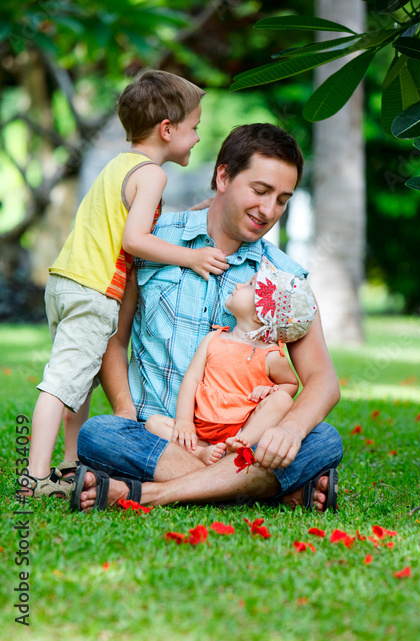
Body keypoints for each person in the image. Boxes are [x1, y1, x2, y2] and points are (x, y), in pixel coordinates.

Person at [71, 123, 342, 512]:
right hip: (158, 435)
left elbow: (323, 380)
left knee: (324, 439)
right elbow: (114, 337)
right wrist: (125, 411)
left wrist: (289, 429)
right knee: (101, 433)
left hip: (241, 441)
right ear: (223, 176)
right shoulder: (152, 240)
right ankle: (264, 489)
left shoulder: (283, 278)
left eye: (282, 199)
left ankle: (148, 493)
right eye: (261, 191)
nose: (269, 211)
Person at [18, 70, 228, 499]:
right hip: (94, 290)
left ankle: (70, 464)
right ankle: (35, 478)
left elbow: (135, 226)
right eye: (194, 129)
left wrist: (196, 211)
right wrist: (192, 255)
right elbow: (136, 240)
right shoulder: (153, 175)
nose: (197, 138)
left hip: (67, 284)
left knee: (82, 379)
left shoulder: (122, 165)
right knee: (62, 382)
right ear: (167, 130)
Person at [144, 259, 317, 465]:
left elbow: (290, 385)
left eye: (250, 285)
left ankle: (240, 444)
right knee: (153, 423)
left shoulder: (271, 355)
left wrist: (272, 391)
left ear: (261, 314)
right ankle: (200, 453)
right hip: (200, 428)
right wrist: (184, 422)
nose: (238, 285)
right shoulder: (213, 339)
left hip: (242, 427)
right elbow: (191, 380)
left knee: (284, 401)